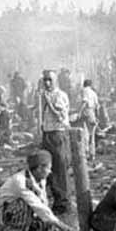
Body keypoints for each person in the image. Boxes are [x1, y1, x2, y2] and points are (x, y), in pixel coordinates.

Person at [0, 149, 76, 231]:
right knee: (24, 206)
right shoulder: (20, 181)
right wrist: (61, 225)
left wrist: (56, 224)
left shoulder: (40, 180)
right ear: (40, 168)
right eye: (48, 168)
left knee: (46, 222)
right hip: (2, 220)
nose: (50, 171)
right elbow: (36, 205)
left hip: (15, 217)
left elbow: (43, 205)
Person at [38, 70, 71, 214]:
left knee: (59, 168)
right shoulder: (44, 95)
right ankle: (55, 199)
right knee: (47, 168)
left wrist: (48, 103)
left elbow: (60, 116)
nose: (47, 83)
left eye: (50, 80)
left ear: (55, 81)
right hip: (47, 134)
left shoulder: (59, 95)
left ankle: (63, 203)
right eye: (45, 80)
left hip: (58, 134)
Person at [77, 79, 100, 163]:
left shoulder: (84, 90)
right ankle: (92, 154)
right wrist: (96, 116)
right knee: (92, 135)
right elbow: (97, 106)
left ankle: (86, 153)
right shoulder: (94, 93)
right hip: (92, 113)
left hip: (86, 112)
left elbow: (84, 102)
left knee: (85, 134)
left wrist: (79, 113)